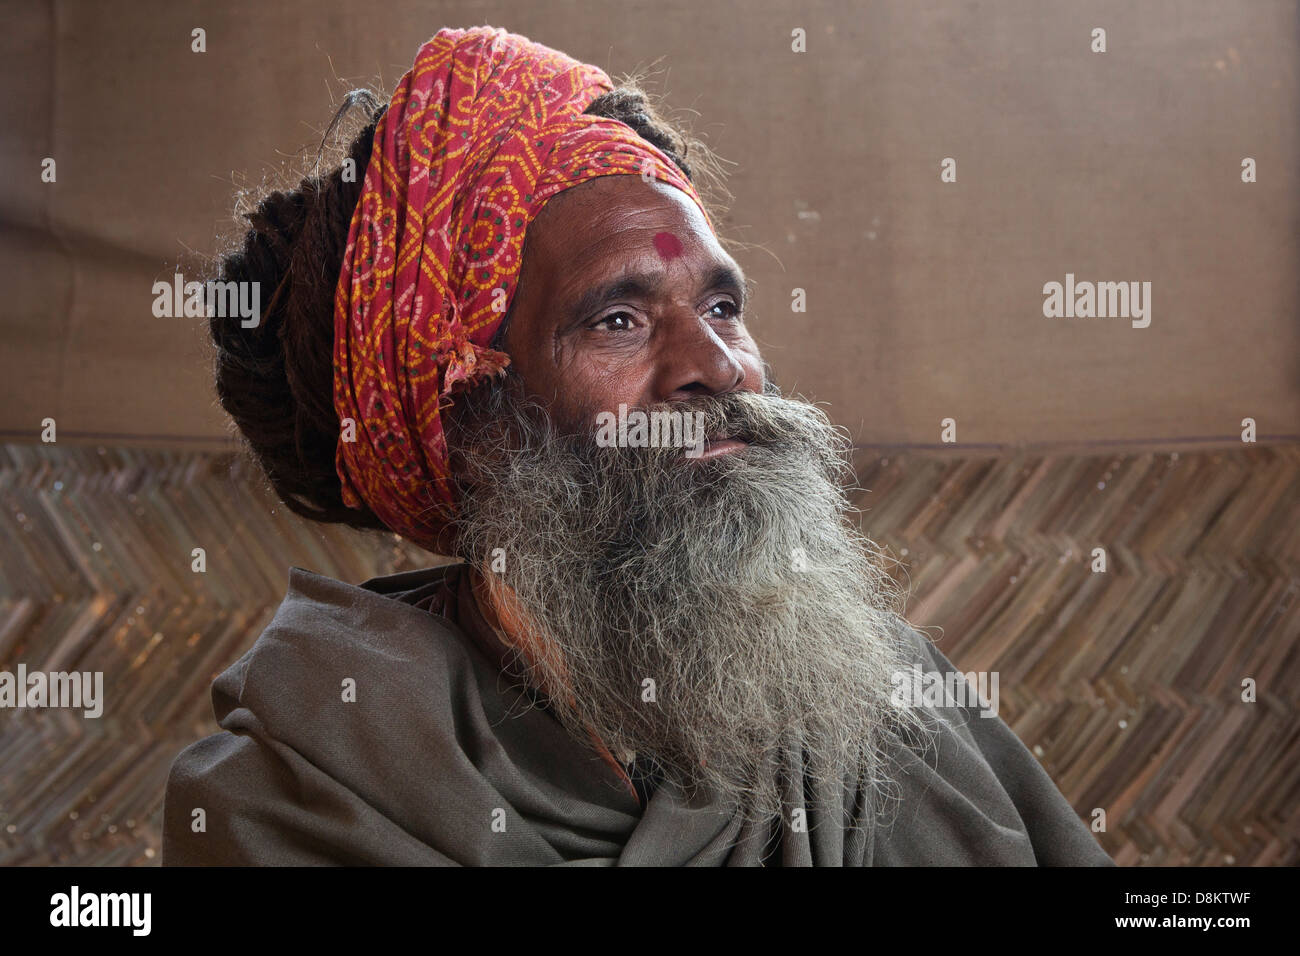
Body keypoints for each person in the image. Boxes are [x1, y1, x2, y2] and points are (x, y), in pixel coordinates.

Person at [162, 25, 1114, 866]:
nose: (719, 367)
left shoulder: (883, 695)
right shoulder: (300, 789)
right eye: (618, 319)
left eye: (722, 306)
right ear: (471, 413)